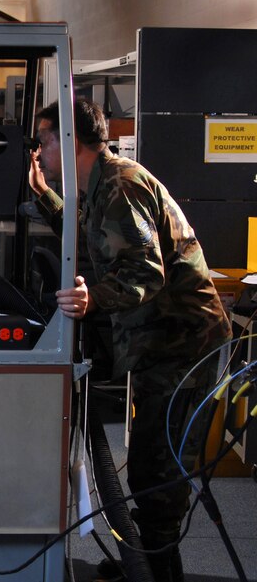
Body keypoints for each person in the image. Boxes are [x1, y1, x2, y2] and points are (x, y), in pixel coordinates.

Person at [29, 99, 232, 582]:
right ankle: (146, 566)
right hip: (160, 346)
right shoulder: (100, 186)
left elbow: (146, 270)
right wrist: (43, 194)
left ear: (71, 140)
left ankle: (160, 575)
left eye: (44, 140)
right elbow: (92, 235)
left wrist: (92, 298)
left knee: (156, 474)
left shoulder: (121, 185)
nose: (40, 151)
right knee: (147, 464)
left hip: (183, 346)